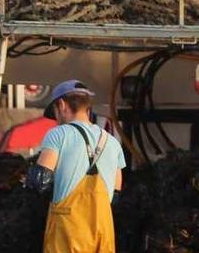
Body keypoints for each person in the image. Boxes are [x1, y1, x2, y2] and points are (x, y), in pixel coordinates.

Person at [25, 79, 126, 253]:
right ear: (88, 107)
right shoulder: (112, 141)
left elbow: (40, 181)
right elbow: (116, 194)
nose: (56, 120)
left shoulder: (58, 134)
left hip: (69, 230)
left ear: (62, 105)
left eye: (55, 112)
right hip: (103, 229)